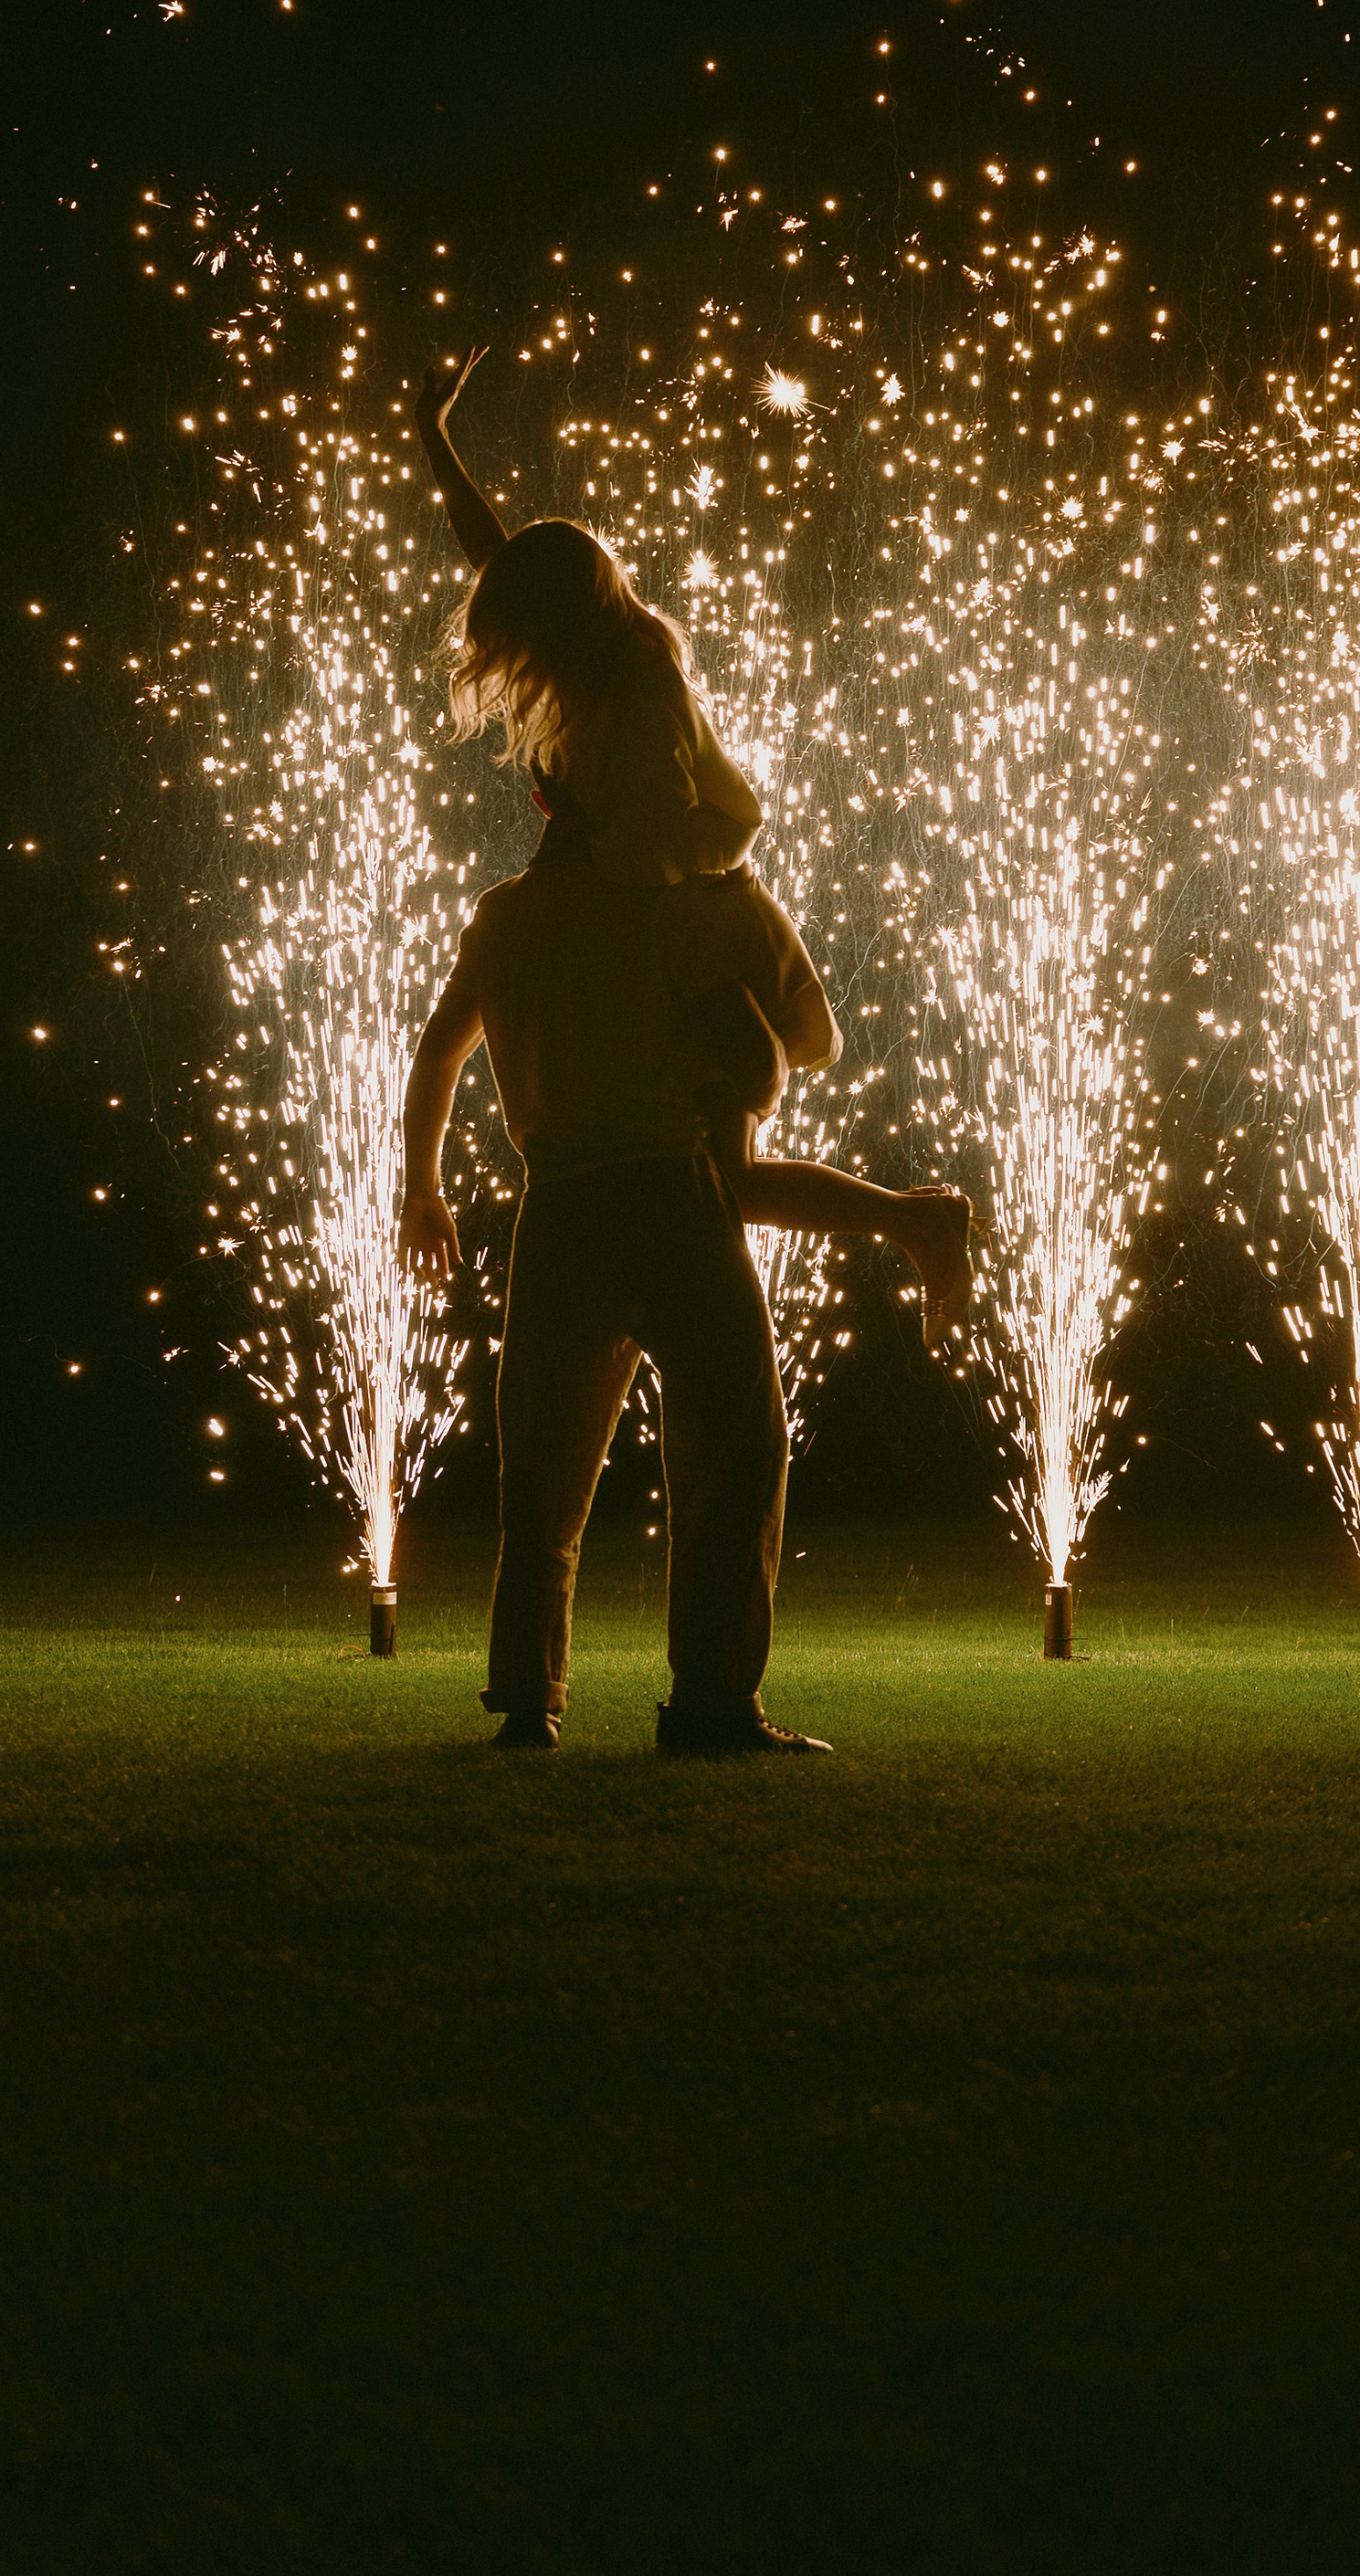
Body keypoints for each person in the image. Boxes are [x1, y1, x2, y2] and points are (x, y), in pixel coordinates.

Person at [415, 345, 973, 1338]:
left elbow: (657, 838)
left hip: (699, 933)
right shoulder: (598, 659)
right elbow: (493, 553)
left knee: (711, 1181)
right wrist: (434, 442)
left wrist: (577, 863)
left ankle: (914, 1223)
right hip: (679, 923)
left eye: (521, 621)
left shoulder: (636, 686)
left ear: (559, 613)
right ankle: (914, 1220)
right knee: (718, 1183)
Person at [399, 846, 845, 1753]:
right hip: (668, 1190)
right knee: (736, 1445)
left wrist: (423, 1185)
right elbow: (769, 1061)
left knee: (542, 1472)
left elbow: (440, 1046)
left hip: (559, 1202)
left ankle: (529, 1699)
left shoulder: (503, 914)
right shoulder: (663, 904)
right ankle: (712, 1699)